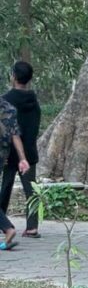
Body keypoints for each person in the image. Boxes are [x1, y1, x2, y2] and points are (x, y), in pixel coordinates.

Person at [0, 61, 41, 238]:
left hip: (9, 152)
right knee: (31, 190)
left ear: (14, 76)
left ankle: (3, 224)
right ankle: (32, 227)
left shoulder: (6, 101)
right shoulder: (34, 101)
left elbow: (8, 129)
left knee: (6, 186)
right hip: (29, 152)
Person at [0, 98, 31, 251]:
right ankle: (7, 228)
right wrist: (22, 158)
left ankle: (8, 228)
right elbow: (15, 135)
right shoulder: (9, 108)